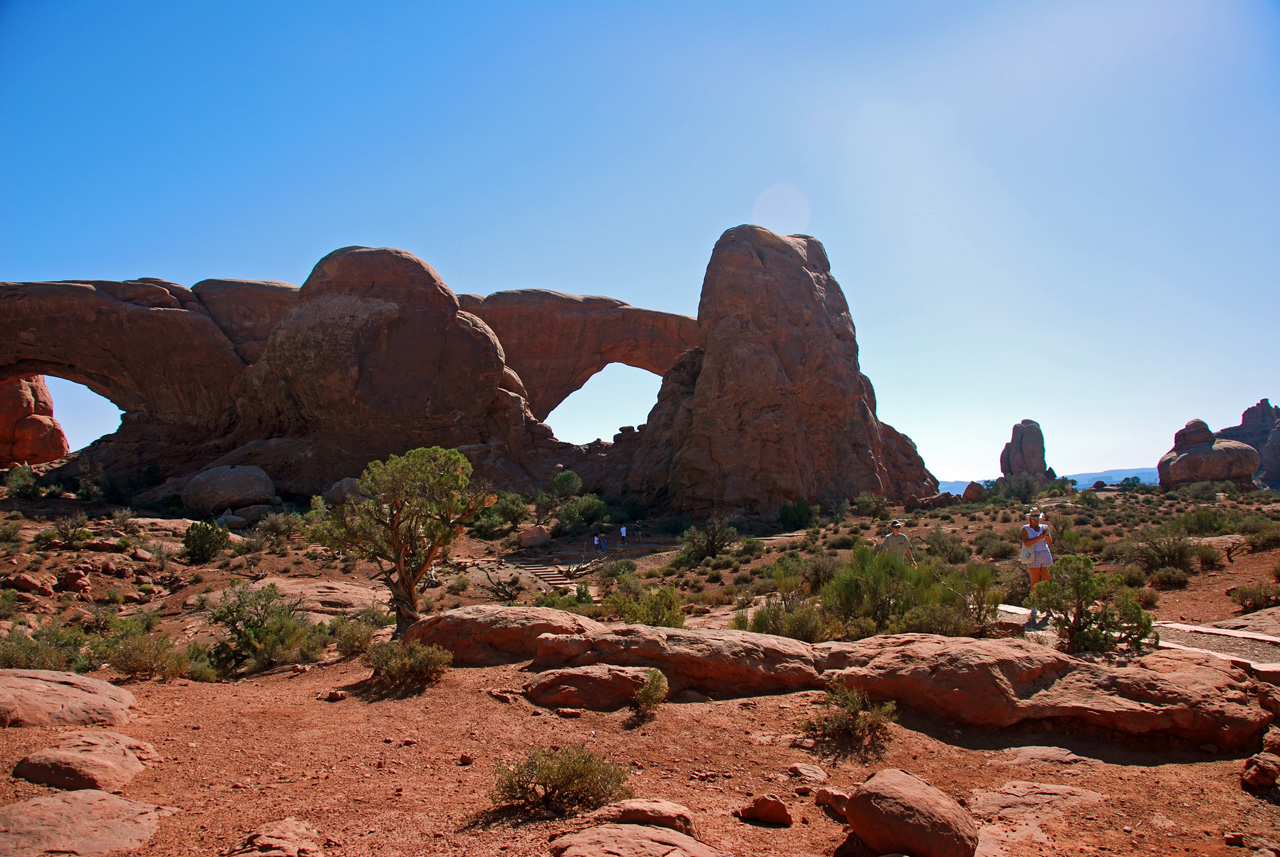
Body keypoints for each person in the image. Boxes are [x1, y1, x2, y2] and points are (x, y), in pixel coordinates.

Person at [1022, 507, 1054, 626]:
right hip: (1033, 555)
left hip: (1045, 554)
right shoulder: (1025, 529)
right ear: (1030, 518)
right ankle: (1034, 607)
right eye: (1034, 517)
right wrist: (1038, 538)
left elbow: (1050, 542)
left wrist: (1047, 535)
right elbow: (1026, 542)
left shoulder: (1044, 528)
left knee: (1047, 581)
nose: (1036, 520)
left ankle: (1048, 606)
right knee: (1035, 582)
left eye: (1037, 517)